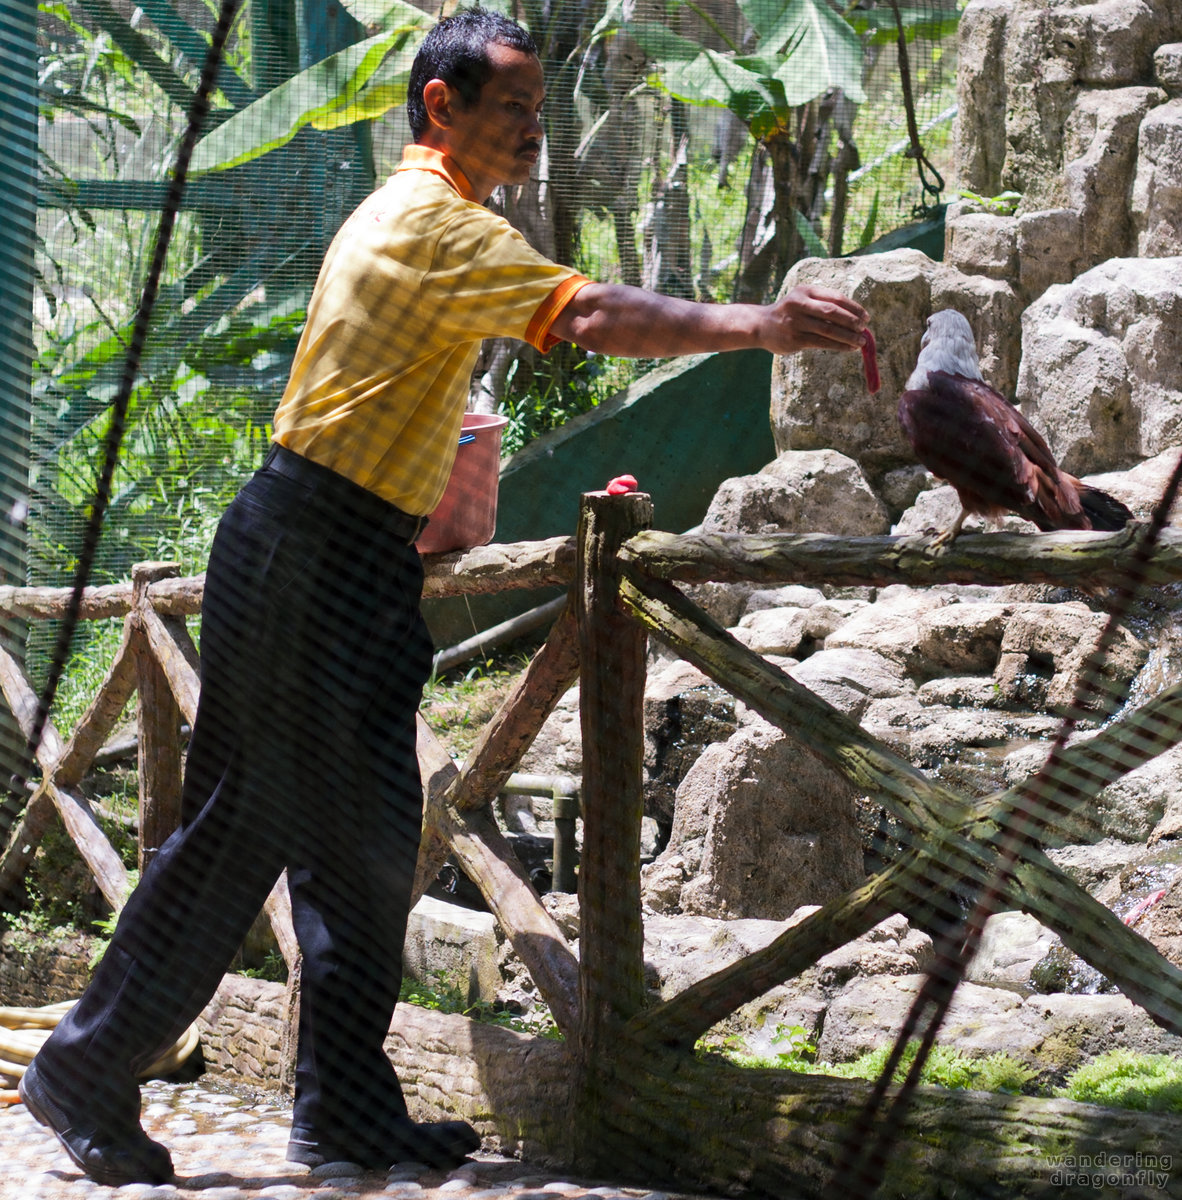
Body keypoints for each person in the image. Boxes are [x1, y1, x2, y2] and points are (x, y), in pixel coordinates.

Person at [19, 7, 870, 1187]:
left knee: (364, 842)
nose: (535, 128)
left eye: (538, 107)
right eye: (514, 108)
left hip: (357, 554)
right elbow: (589, 314)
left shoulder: (441, 220)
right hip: (302, 546)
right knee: (238, 833)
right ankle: (86, 1070)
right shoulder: (425, 221)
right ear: (440, 107)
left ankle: (348, 1113)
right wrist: (764, 325)